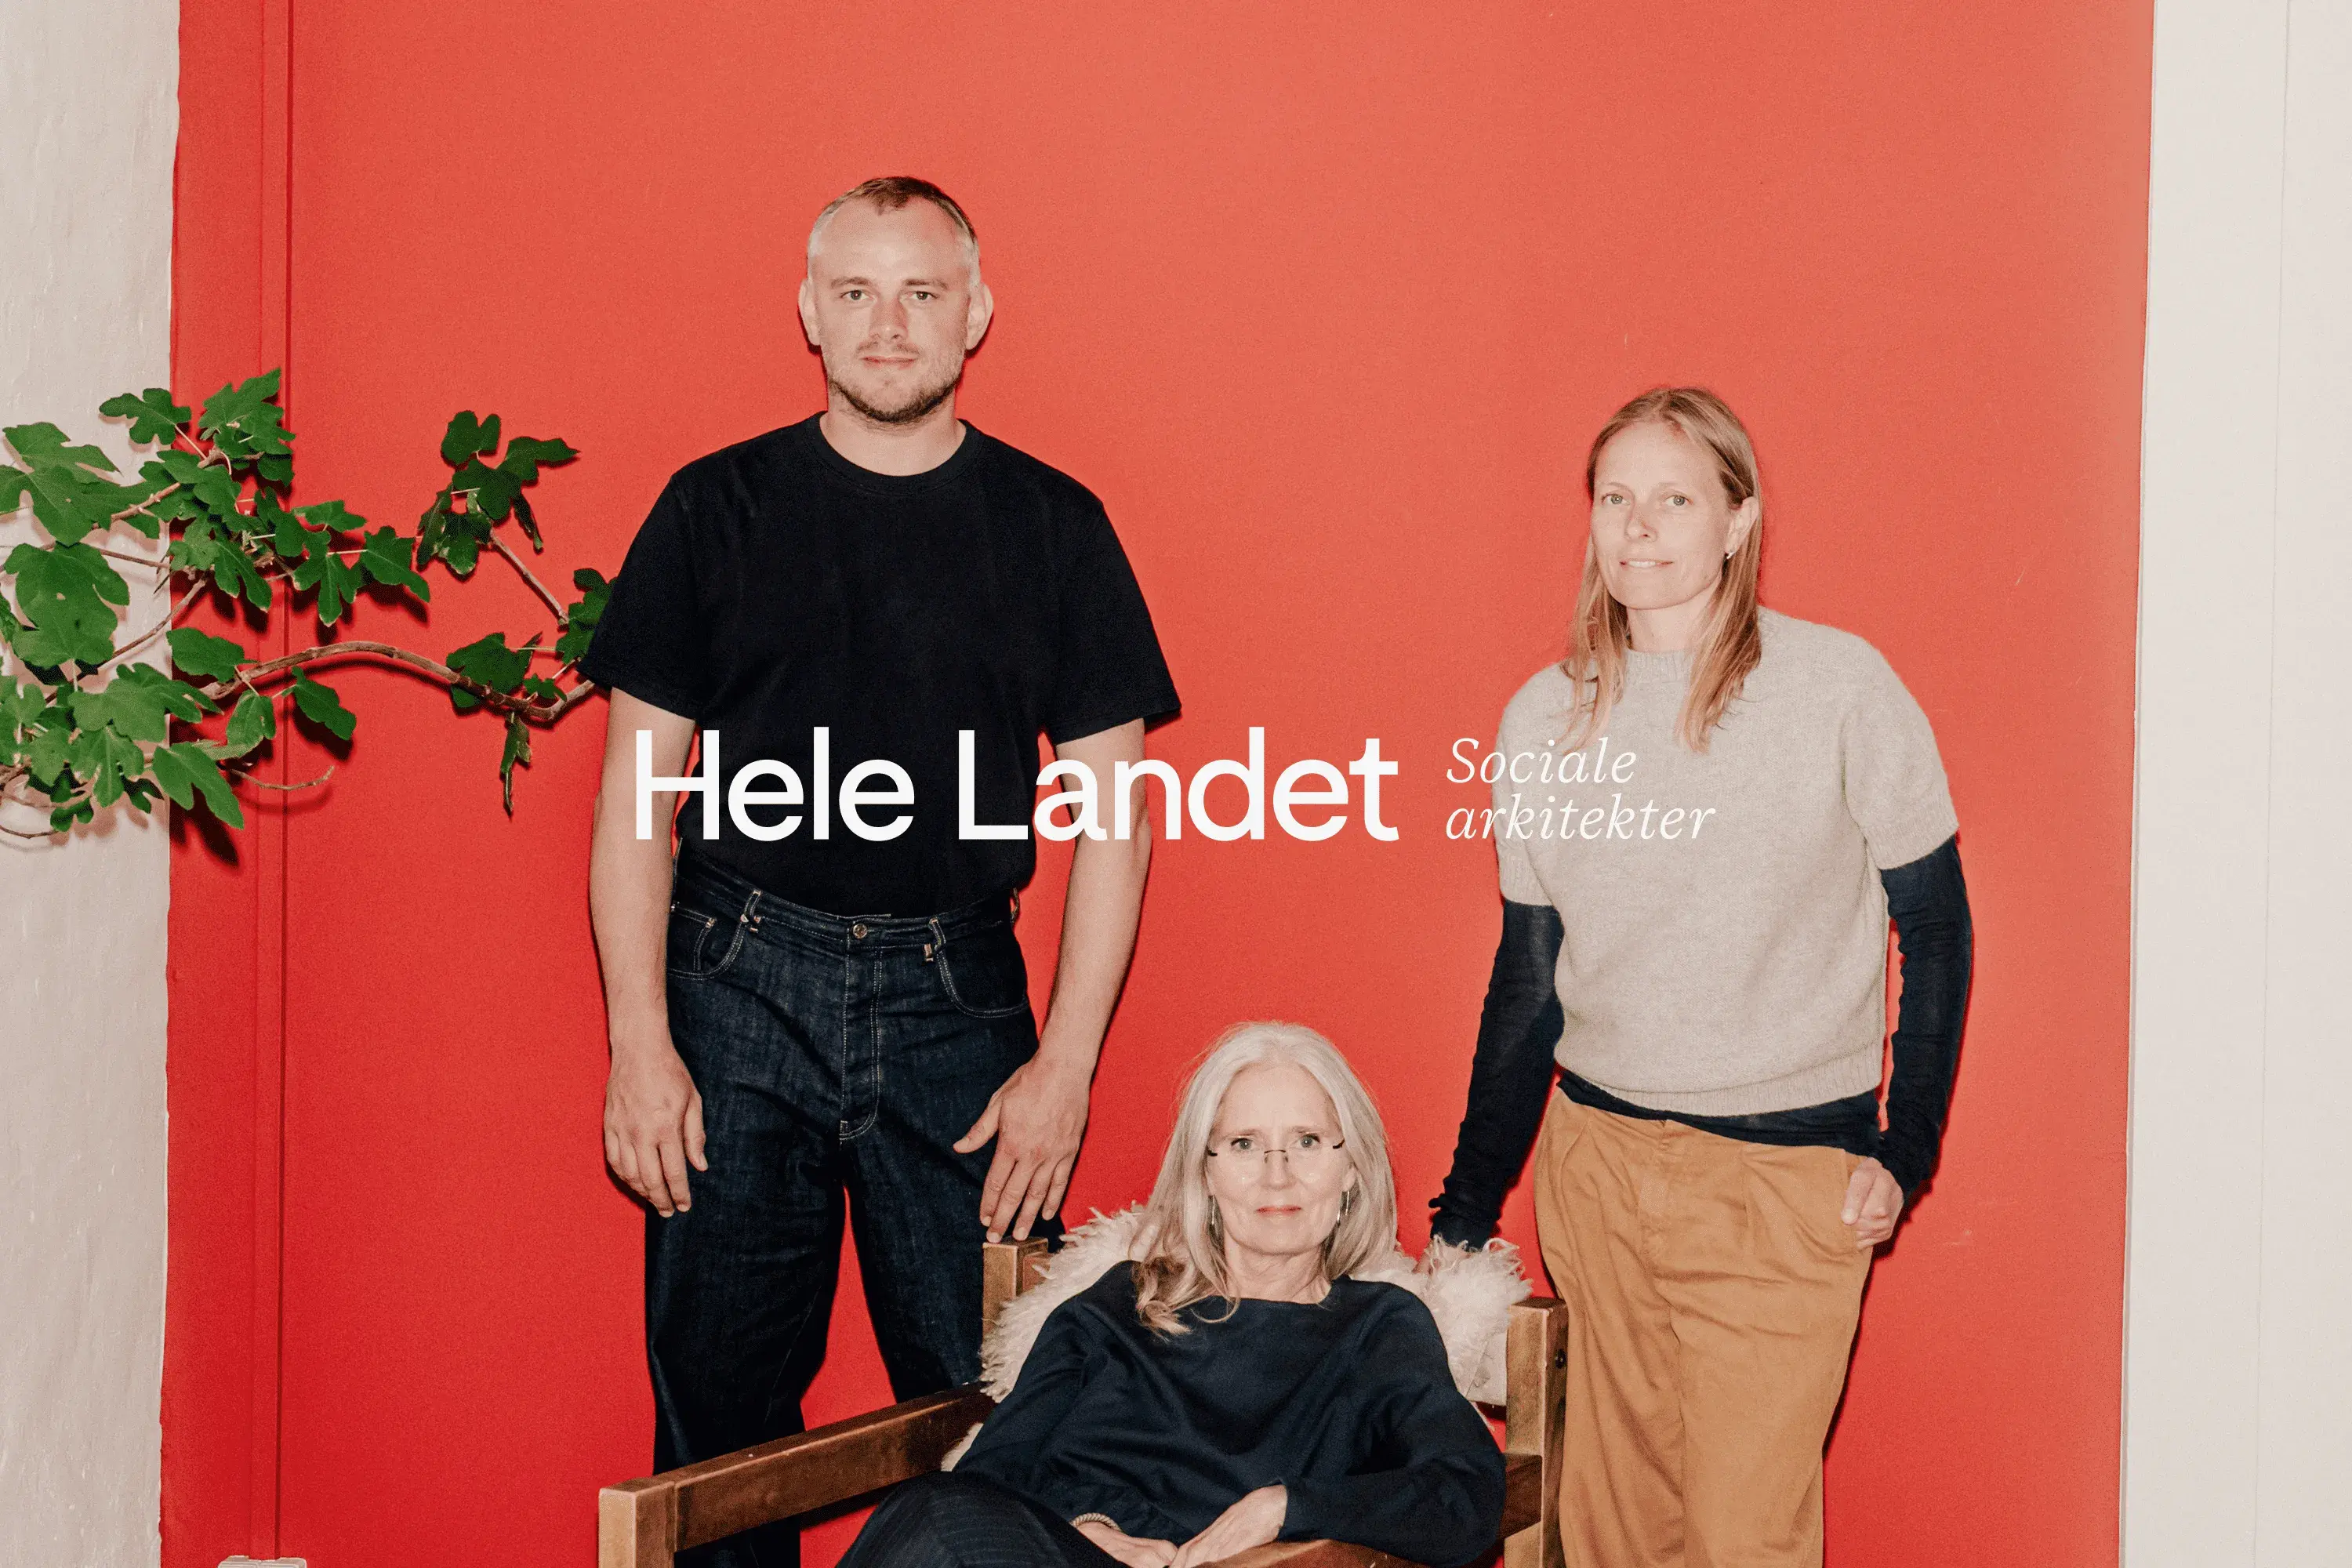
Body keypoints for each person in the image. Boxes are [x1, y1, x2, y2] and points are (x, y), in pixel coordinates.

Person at [582, 176, 1180, 1567]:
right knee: (721, 1433)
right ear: (810, 311)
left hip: (956, 1001)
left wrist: (1066, 1068)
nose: (889, 323)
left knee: (997, 1406)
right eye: (856, 292)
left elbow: (1120, 819)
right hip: (735, 988)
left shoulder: (1055, 525)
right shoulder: (713, 508)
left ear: (977, 312)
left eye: (922, 292)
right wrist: (639, 1043)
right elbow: (634, 802)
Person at [1428, 387, 1973, 1568]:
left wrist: (1906, 1148)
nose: (1638, 527)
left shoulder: (1838, 687)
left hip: (1780, 1183)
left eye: (1675, 499)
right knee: (1609, 1535)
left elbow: (1935, 925)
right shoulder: (1544, 717)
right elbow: (1529, 978)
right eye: (1615, 497)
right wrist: (1463, 1216)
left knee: (1742, 1542)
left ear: (1740, 519)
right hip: (1598, 1169)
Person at [842, 1022, 1504, 1568]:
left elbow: (1466, 1493)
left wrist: (1285, 1506)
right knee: (936, 1510)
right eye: (1243, 1144)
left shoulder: (1378, 1327)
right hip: (1051, 1554)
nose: (1277, 1175)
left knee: (932, 1518)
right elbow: (993, 1470)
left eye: (1306, 1142)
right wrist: (1091, 1526)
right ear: (1205, 1175)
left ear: (1351, 1170)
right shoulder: (1119, 1303)